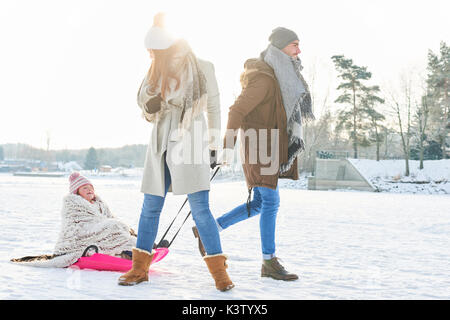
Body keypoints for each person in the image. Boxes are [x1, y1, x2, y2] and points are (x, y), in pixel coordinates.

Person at [117, 13, 234, 291]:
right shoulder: (155, 69)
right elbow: (142, 100)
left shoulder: (203, 67)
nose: (149, 56)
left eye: (151, 51)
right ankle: (139, 269)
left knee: (201, 210)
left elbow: (214, 108)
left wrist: (215, 147)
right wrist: (151, 104)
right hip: (160, 142)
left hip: (191, 140)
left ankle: (220, 274)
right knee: (150, 208)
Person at [194, 27, 314, 281]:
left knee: (261, 203)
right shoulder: (264, 78)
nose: (299, 50)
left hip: (268, 145)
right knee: (271, 203)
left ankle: (210, 229)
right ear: (281, 48)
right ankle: (268, 262)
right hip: (261, 146)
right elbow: (237, 110)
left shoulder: (278, 76)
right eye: (294, 45)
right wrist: (225, 146)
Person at [11, 172, 137, 267]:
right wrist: (109, 225)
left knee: (118, 226)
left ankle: (135, 248)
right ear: (77, 192)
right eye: (85, 188)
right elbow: (76, 227)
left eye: (90, 187)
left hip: (101, 231)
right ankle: (126, 252)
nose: (89, 190)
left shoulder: (100, 203)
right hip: (80, 238)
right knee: (113, 226)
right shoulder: (73, 205)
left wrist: (122, 227)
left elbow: (111, 218)